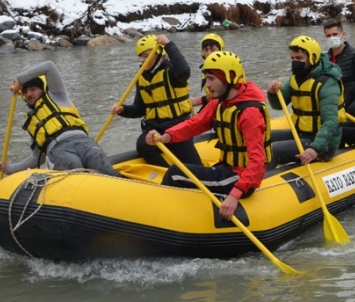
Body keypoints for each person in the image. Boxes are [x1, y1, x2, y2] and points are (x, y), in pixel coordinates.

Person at [146, 51, 270, 219]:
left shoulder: (249, 113)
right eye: (207, 79)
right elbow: (196, 124)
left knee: (175, 172)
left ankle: (158, 217)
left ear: (230, 77)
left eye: (212, 79)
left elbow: (258, 161)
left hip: (240, 179)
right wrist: (167, 136)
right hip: (227, 169)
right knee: (189, 172)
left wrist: (235, 194)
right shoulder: (220, 103)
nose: (208, 85)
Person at [0, 60, 122, 177]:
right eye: (25, 92)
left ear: (42, 89)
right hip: (58, 150)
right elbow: (38, 158)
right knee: (76, 173)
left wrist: (20, 79)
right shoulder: (32, 123)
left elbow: (49, 67)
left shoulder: (58, 95)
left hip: (84, 142)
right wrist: (10, 169)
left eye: (33, 89)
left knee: (107, 172)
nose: (29, 94)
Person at [110, 34, 200, 167]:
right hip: (154, 130)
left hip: (178, 127)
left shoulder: (172, 72)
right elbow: (139, 109)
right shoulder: (141, 78)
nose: (142, 60)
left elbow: (185, 71)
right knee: (142, 144)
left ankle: (180, 175)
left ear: (159, 54)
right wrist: (122, 109)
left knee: (196, 166)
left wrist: (168, 44)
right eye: (140, 56)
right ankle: (166, 172)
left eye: (146, 56)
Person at [267, 35, 343, 165]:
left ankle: (261, 183)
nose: (295, 62)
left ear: (313, 58)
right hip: (301, 134)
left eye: (299, 58)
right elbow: (279, 105)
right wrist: (273, 93)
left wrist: (315, 148)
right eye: (293, 58)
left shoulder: (327, 83)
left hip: (323, 144)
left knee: (274, 150)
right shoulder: (296, 78)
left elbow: (331, 121)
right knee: (264, 138)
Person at [323, 18, 355, 116]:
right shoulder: (324, 59)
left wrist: (346, 99)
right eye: (328, 35)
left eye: (335, 34)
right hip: (334, 97)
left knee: (353, 110)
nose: (332, 38)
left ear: (342, 34)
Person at [190, 32, 225, 111]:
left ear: (220, 50)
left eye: (213, 50)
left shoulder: (224, 68)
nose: (209, 53)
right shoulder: (207, 69)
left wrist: (198, 101)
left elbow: (222, 95)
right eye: (206, 50)